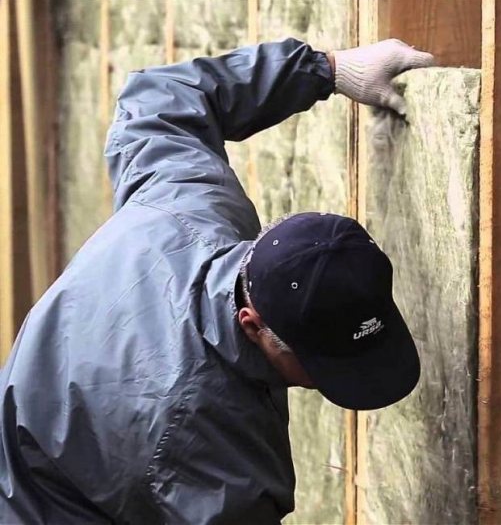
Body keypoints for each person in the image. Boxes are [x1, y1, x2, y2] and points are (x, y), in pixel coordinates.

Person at [0, 37, 433, 524]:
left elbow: (159, 97)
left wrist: (327, 69)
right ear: (252, 324)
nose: (319, 383)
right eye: (319, 366)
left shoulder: (190, 204)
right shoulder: (207, 448)